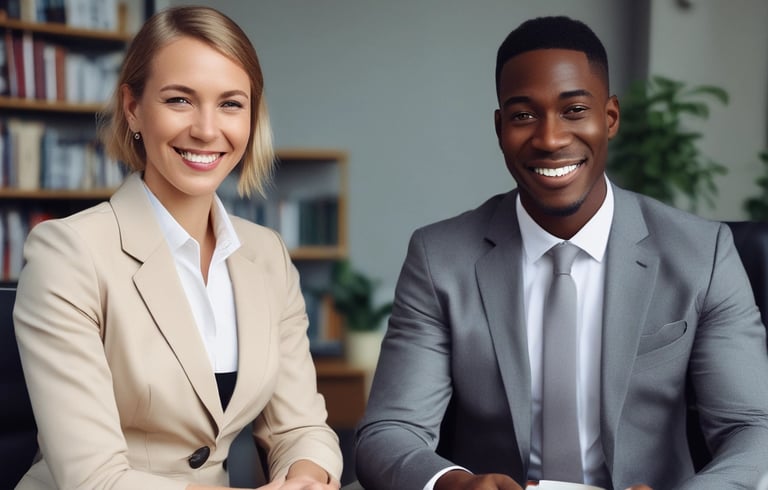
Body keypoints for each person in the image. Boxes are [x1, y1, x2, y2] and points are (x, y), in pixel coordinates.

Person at [354, 15, 768, 490]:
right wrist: (456, 484)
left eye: (574, 110)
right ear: (500, 128)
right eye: (523, 116)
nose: (550, 139)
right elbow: (389, 431)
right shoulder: (439, 259)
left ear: (610, 118)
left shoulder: (703, 254)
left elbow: (753, 428)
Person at [13, 6, 342, 490]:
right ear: (132, 108)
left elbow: (301, 428)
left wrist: (306, 478)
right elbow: (94, 478)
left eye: (231, 104)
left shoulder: (266, 254)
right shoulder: (68, 254)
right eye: (180, 100)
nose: (207, 130)